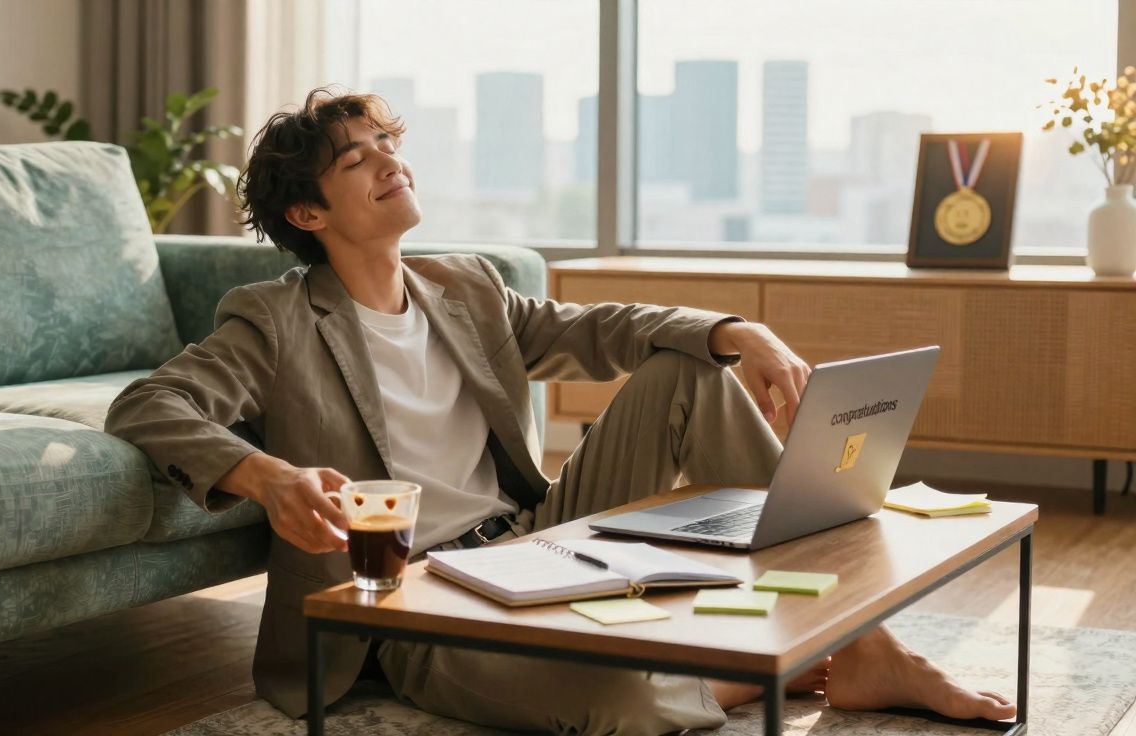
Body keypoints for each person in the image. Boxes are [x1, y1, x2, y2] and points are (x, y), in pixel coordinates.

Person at [104, 87, 1016, 735]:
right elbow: (152, 402)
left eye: (390, 142)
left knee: (685, 369)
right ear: (308, 210)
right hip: (411, 596)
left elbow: (606, 328)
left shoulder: (465, 285)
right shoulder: (274, 319)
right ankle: (753, 675)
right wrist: (265, 474)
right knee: (613, 706)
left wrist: (741, 331)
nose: (391, 159)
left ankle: (858, 640)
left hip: (535, 535)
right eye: (359, 157)